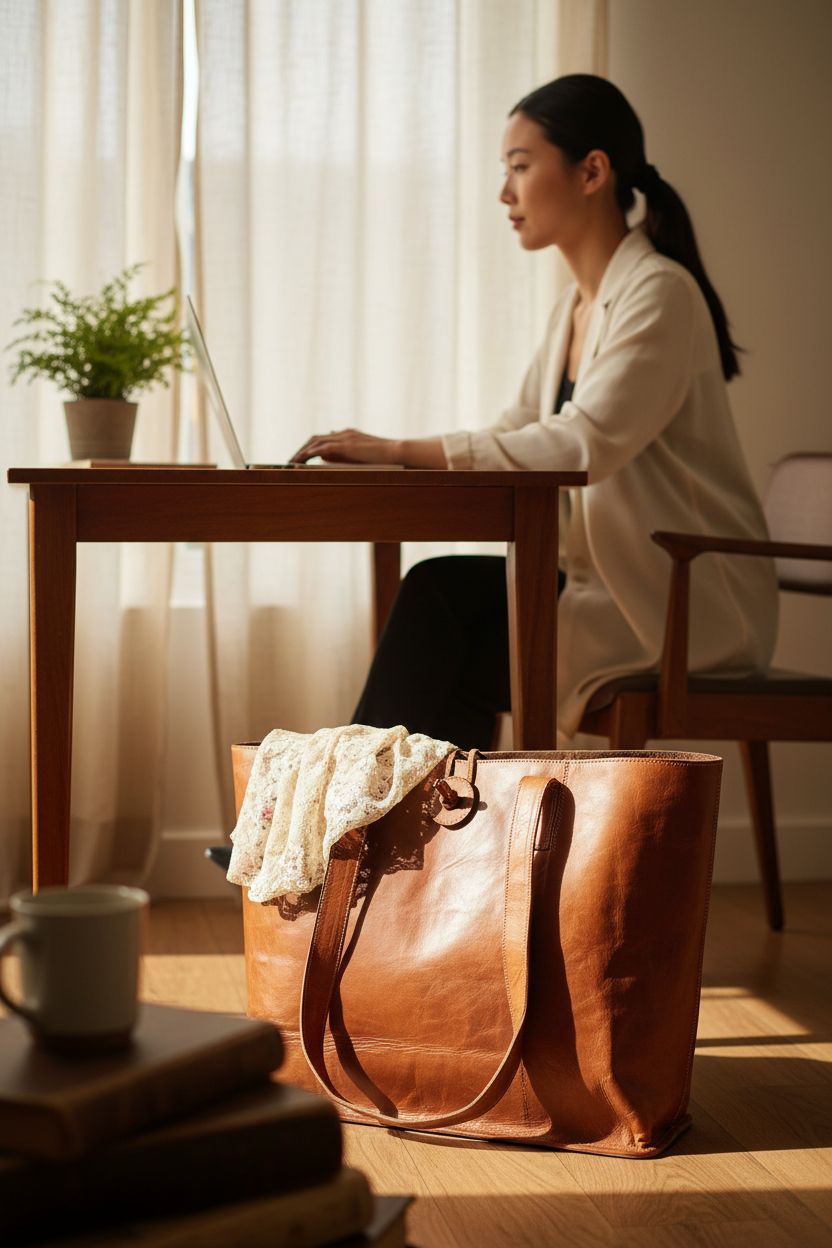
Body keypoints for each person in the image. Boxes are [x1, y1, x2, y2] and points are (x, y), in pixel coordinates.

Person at [292, 74, 778, 749]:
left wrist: (398, 447)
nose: (505, 193)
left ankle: (330, 835)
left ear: (592, 172)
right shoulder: (575, 308)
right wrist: (391, 453)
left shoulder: (660, 293)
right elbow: (514, 432)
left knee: (444, 606)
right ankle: (401, 846)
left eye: (520, 167)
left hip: (679, 607)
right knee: (442, 604)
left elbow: (584, 445)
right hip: (602, 591)